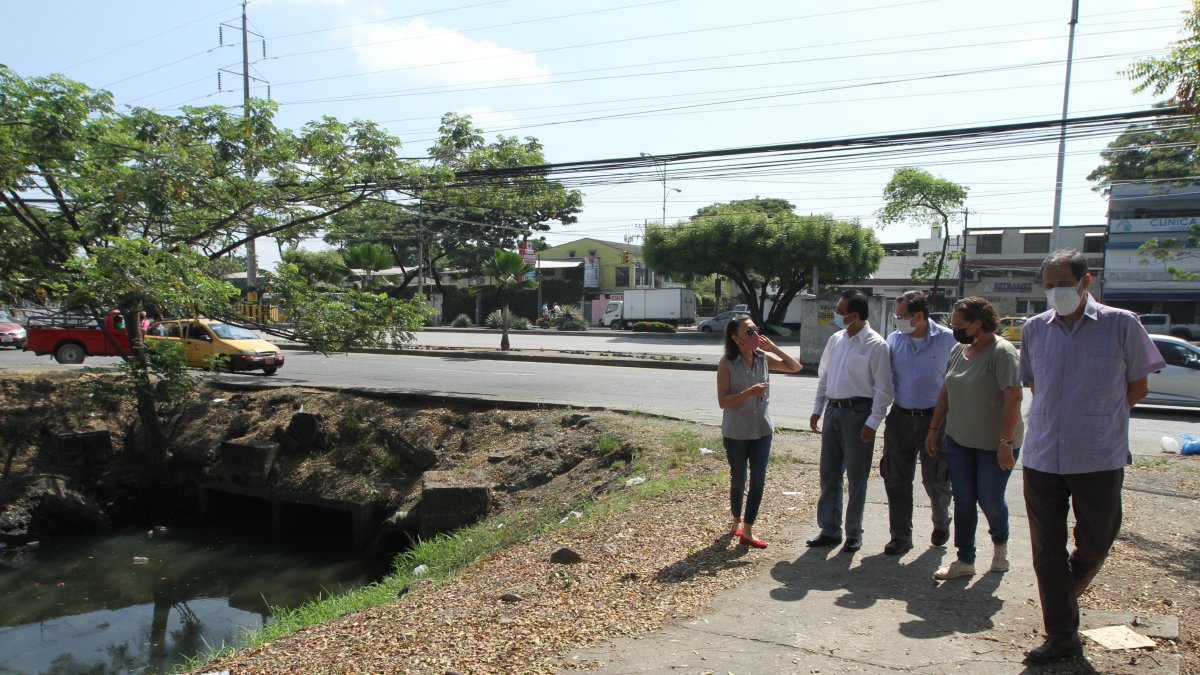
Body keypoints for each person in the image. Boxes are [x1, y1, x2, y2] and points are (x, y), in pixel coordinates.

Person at [1017, 249, 1163, 664]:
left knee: (1096, 542)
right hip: (1043, 456)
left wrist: (1098, 420)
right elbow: (1035, 386)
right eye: (1048, 286)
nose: (1055, 293)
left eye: (1062, 284)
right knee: (1047, 551)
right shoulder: (1034, 329)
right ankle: (1062, 634)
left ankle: (1063, 599)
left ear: (1086, 281)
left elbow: (1138, 388)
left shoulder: (1121, 324)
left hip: (1098, 456)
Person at [924, 296, 1023, 581]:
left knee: (990, 499)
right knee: (964, 499)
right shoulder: (959, 349)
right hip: (959, 439)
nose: (954, 328)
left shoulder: (1002, 353)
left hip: (995, 444)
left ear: (978, 323)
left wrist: (1006, 444)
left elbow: (1014, 398)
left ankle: (1000, 546)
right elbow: (946, 391)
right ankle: (965, 558)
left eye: (958, 323)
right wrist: (934, 429)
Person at [808, 290, 893, 554]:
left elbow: (884, 389)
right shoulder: (836, 340)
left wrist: (872, 423)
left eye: (840, 311)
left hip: (858, 414)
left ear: (855, 316)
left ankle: (854, 532)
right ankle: (830, 530)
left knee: (856, 477)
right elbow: (825, 376)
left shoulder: (876, 345)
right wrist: (817, 409)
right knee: (829, 474)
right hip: (834, 411)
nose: (837, 315)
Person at [717, 315, 803, 549]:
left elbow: (795, 367)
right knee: (739, 478)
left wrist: (773, 347)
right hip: (736, 431)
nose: (754, 334)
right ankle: (735, 520)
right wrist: (749, 392)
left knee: (758, 479)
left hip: (763, 429)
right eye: (748, 331)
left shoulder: (763, 358)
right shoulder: (727, 363)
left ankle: (748, 529)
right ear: (735, 338)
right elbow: (723, 401)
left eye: (755, 329)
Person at [881, 291, 954, 555]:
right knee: (896, 479)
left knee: (935, 480)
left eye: (902, 316)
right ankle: (900, 536)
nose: (898, 321)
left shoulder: (948, 340)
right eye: (897, 316)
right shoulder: (894, 340)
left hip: (936, 418)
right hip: (900, 417)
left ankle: (941, 520)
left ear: (919, 316)